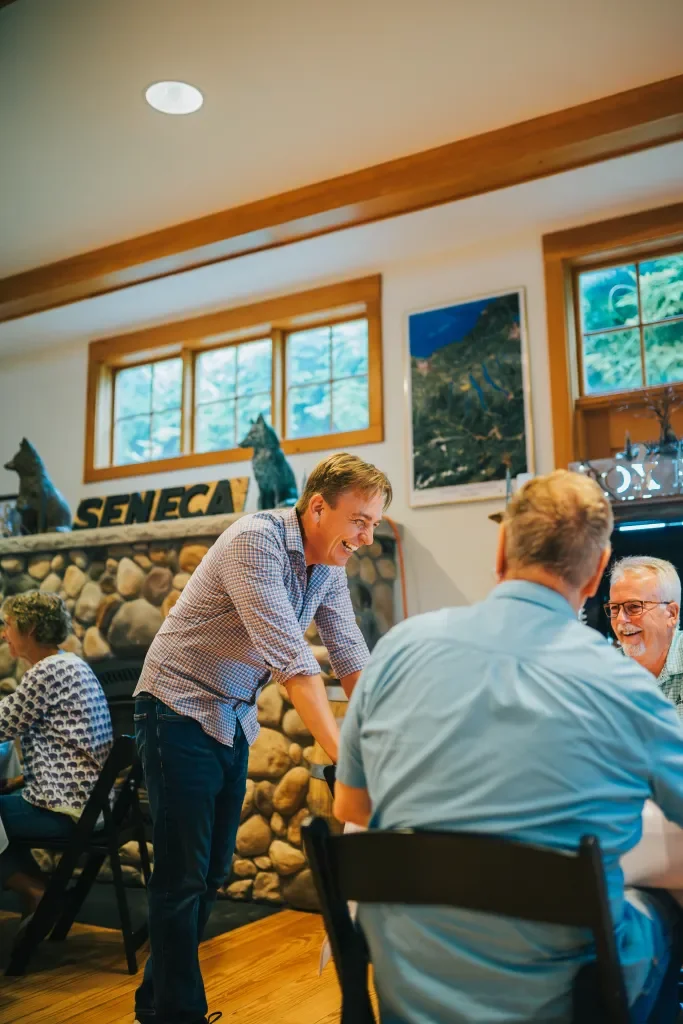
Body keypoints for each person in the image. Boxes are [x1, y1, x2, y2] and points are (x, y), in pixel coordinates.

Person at [335, 469, 683, 1024]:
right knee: (666, 908)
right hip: (560, 1002)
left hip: (409, 988)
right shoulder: (623, 686)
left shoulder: (398, 650)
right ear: (596, 575)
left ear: (500, 548)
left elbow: (352, 809)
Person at [132, 452, 392, 1024]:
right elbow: (293, 663)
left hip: (230, 716)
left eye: (373, 523)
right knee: (182, 878)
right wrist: (350, 760)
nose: (367, 537)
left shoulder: (328, 562)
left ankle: (155, 1002)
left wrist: (392, 734)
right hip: (175, 708)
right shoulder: (257, 541)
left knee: (214, 872)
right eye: (360, 520)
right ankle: (175, 1015)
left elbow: (350, 652)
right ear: (319, 506)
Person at [0, 592, 113, 917]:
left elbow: (3, 723)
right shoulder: (70, 664)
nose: (4, 633)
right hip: (90, 803)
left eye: (8, 625)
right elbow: (70, 747)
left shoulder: (48, 672)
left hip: (67, 810)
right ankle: (40, 890)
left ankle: (36, 891)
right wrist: (19, 780)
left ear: (30, 627)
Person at [608, 555, 683, 718]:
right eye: (614, 608)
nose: (620, 619)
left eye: (633, 607)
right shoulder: (605, 671)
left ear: (671, 613)